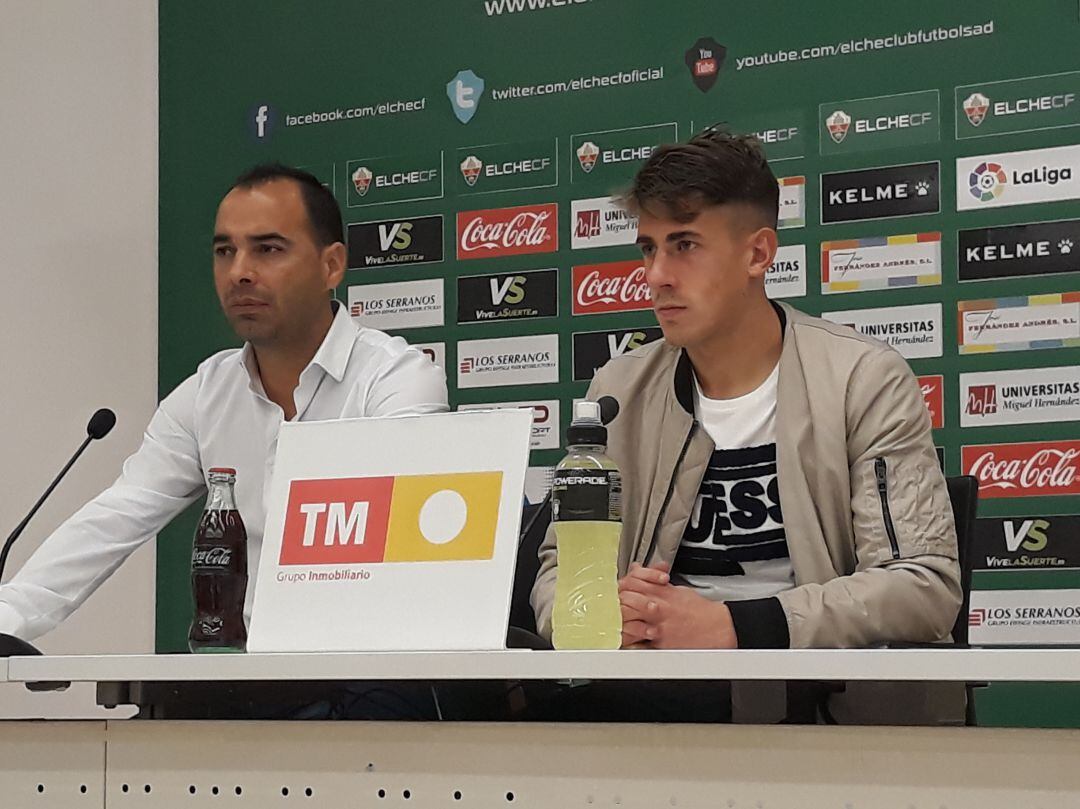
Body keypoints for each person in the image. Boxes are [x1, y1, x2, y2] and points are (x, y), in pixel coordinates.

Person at [530, 130, 961, 721]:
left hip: (818, 709)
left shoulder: (863, 378)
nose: (655, 275)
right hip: (655, 701)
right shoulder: (618, 391)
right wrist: (603, 615)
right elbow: (556, 570)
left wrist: (735, 626)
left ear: (758, 254)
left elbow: (923, 586)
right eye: (648, 249)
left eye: (684, 246)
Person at [0, 164, 448, 643]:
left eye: (268, 249)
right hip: (243, 679)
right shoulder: (206, 393)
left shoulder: (396, 382)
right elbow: (114, 519)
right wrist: (9, 617)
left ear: (331, 266)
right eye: (224, 251)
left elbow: (409, 559)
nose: (239, 273)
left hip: (377, 674)